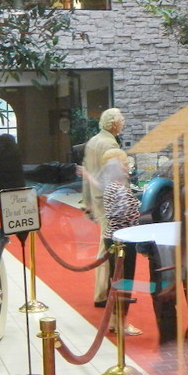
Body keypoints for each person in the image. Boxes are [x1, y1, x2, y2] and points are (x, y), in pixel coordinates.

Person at [81, 107, 125, 307]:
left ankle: (104, 291)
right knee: (107, 245)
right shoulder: (110, 144)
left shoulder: (92, 141)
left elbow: (87, 173)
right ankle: (101, 293)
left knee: (105, 242)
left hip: (97, 197)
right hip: (109, 199)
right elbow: (114, 175)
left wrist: (87, 201)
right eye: (121, 119)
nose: (123, 122)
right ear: (113, 123)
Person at [99, 148, 142, 336]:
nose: (127, 168)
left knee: (115, 281)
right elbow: (133, 217)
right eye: (124, 164)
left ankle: (113, 321)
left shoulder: (110, 187)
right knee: (124, 282)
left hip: (112, 237)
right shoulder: (119, 189)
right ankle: (122, 324)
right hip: (123, 241)